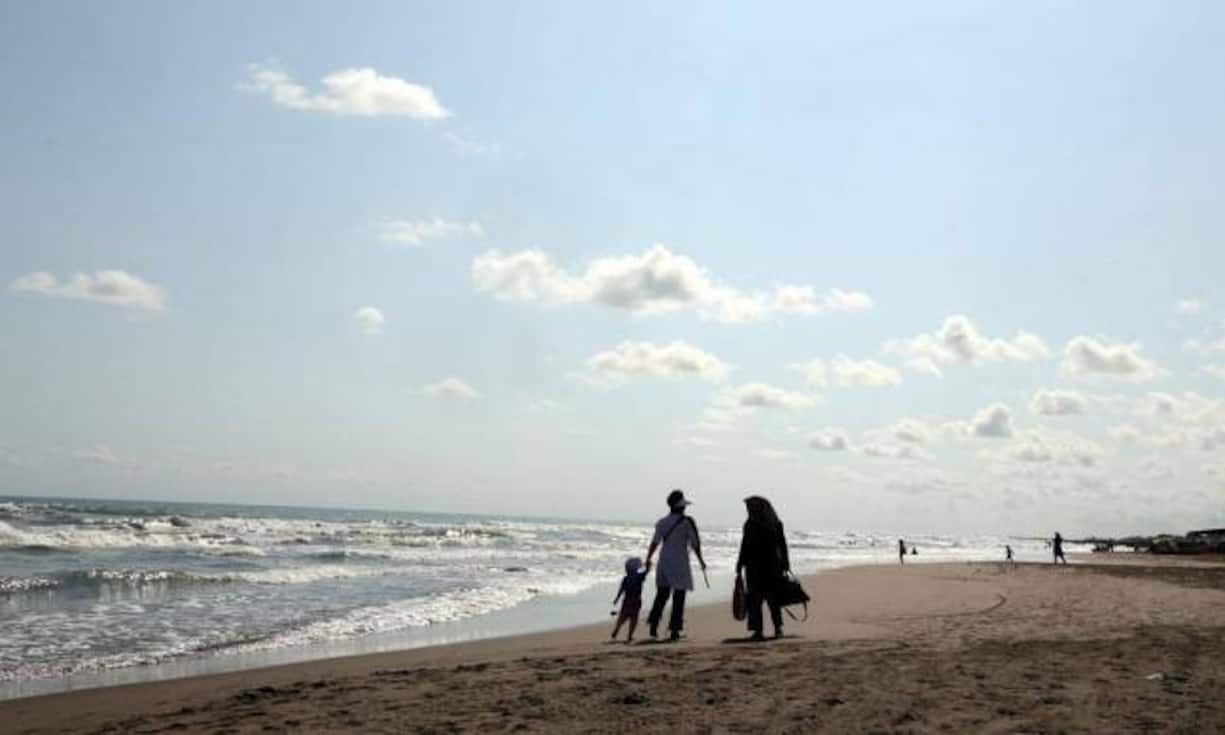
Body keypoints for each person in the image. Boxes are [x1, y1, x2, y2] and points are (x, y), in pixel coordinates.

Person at [644, 489, 706, 641]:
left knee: (661, 596)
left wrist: (648, 558)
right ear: (681, 507)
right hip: (680, 563)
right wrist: (701, 560)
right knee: (679, 597)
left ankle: (653, 626)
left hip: (664, 562)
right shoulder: (687, 522)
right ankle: (674, 630)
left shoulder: (662, 522)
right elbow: (695, 543)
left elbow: (655, 542)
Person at [736, 495, 790, 641]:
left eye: (750, 507)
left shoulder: (752, 524)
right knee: (771, 600)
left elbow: (745, 546)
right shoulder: (774, 523)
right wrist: (785, 563)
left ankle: (760, 631)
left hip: (757, 567)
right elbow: (782, 546)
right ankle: (776, 629)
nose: (748, 510)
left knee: (757, 600)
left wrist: (740, 563)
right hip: (770, 566)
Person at [610, 557, 647, 642]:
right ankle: (629, 636)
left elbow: (621, 589)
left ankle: (617, 629)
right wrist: (647, 563)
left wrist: (617, 598)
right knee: (634, 618)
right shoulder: (639, 577)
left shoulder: (626, 578)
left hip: (627, 600)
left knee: (623, 616)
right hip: (636, 600)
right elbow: (647, 571)